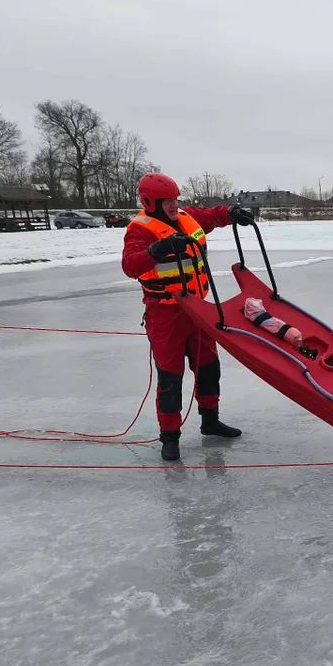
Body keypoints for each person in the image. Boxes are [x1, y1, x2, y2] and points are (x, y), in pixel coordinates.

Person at [121, 172, 256, 461]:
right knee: (170, 376)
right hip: (164, 313)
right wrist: (155, 251)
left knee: (208, 366)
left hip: (198, 308)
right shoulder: (139, 229)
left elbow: (211, 215)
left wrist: (231, 213)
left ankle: (210, 420)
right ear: (150, 202)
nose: (173, 205)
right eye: (166, 201)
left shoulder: (186, 217)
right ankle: (170, 437)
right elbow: (130, 265)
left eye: (175, 199)